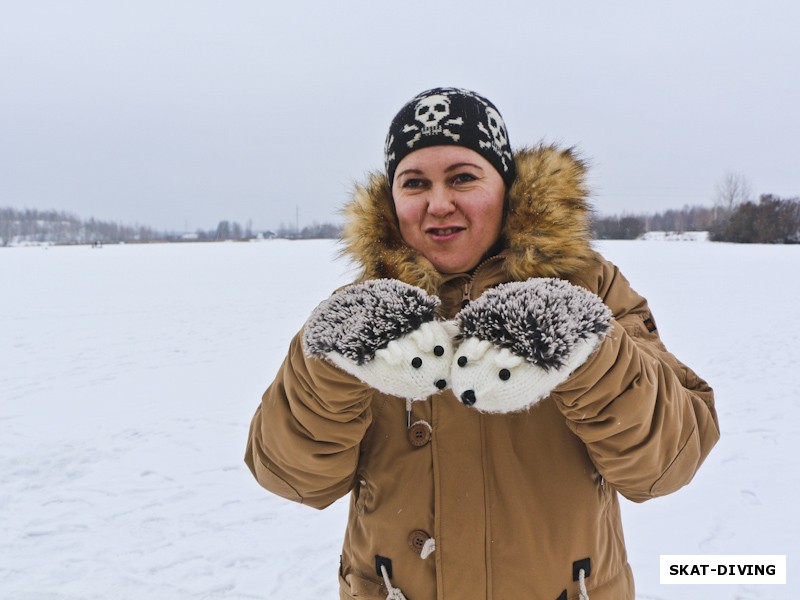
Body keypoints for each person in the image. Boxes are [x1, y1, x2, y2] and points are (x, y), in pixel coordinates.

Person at [245, 87, 720, 600]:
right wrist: (330, 366)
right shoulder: (361, 308)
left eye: (463, 178)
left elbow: (668, 463)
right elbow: (291, 476)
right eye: (414, 183)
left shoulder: (591, 288)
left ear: (507, 189)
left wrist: (589, 353)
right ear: (391, 200)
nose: (438, 203)